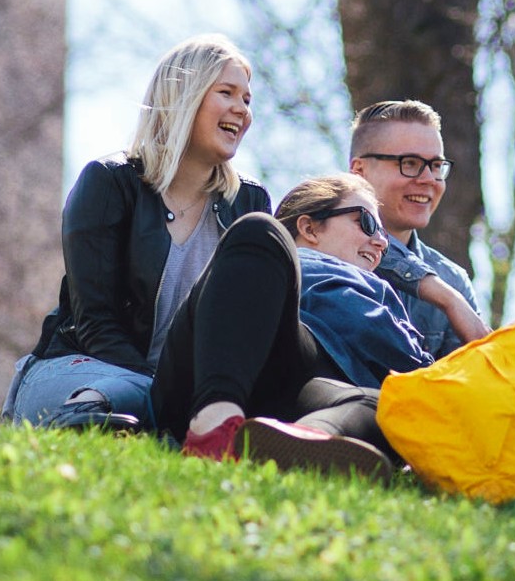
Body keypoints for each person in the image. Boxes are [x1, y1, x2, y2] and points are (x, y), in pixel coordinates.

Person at [5, 34, 269, 429]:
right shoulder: (110, 183)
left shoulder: (249, 204)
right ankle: (84, 417)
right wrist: (161, 391)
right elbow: (95, 321)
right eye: (227, 92)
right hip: (85, 368)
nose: (242, 110)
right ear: (185, 95)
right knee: (137, 395)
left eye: (247, 100)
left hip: (180, 391)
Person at [149, 173, 414, 475]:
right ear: (309, 227)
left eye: (383, 234)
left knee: (384, 406)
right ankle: (214, 427)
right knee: (259, 229)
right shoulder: (270, 259)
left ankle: (305, 441)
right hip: (207, 377)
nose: (381, 242)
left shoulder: (386, 302)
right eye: (366, 223)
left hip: (299, 396)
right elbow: (412, 369)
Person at [347, 100, 487, 357]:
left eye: (435, 166)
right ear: (359, 171)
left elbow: (464, 385)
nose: (428, 180)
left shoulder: (452, 280)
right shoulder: (318, 246)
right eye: (409, 163)